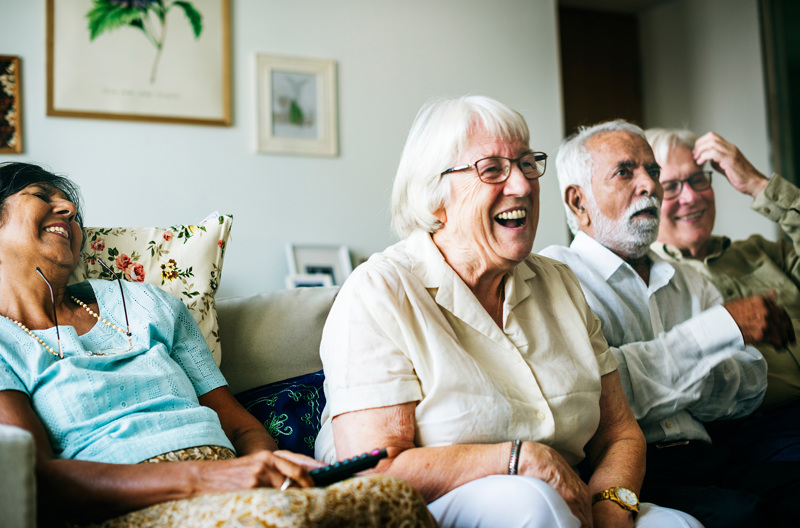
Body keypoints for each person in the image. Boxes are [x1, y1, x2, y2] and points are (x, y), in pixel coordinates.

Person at [314, 96, 700, 528]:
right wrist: (519, 459)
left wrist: (612, 503)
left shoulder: (560, 283)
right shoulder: (380, 291)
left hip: (573, 499)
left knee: (678, 525)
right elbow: (373, 470)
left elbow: (620, 433)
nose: (522, 185)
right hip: (439, 509)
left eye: (526, 163)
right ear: (435, 195)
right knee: (532, 504)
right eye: (493, 169)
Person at [0, 162, 435, 528]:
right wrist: (208, 479)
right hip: (130, 503)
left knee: (391, 496)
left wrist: (267, 470)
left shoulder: (146, 302)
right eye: (42, 195)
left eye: (73, 211)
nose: (70, 210)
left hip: (233, 479)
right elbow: (34, 477)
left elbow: (242, 427)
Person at [540, 119, 798, 527]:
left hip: (712, 455)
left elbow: (749, 383)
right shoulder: (555, 277)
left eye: (653, 171)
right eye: (626, 172)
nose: (650, 186)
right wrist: (714, 335)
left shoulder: (690, 280)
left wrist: (649, 377)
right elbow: (596, 397)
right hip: (631, 472)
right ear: (578, 202)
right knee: (744, 518)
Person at [647, 128, 800, 411]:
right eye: (670, 187)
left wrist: (758, 184)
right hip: (759, 431)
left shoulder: (762, 252)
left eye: (698, 179)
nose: (691, 197)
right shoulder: (649, 282)